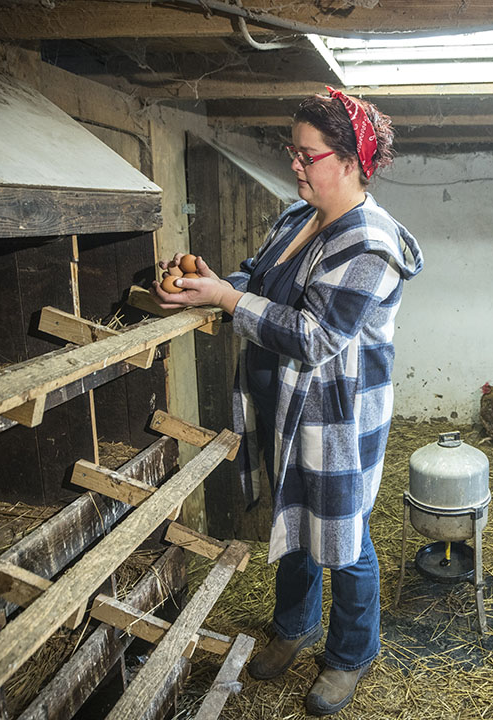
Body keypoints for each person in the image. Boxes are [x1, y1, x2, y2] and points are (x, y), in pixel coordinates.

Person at [150, 88, 423, 715]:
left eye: (307, 154)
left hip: (336, 413)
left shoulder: (371, 245)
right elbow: (254, 274)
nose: (294, 165)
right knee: (293, 518)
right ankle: (294, 627)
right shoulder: (296, 219)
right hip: (283, 401)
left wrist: (223, 299)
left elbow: (317, 336)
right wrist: (209, 281)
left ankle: (352, 653)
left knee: (345, 536)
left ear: (350, 160)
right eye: (291, 152)